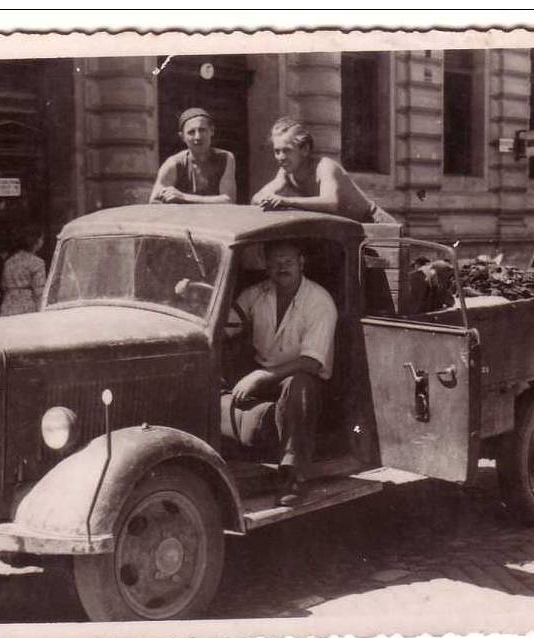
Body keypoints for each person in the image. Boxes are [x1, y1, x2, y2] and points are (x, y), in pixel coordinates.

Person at [221, 240, 338, 507]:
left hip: (307, 382)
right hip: (263, 375)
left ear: (301, 263)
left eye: (288, 261)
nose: (281, 267)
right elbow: (227, 326)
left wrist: (262, 376)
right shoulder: (256, 294)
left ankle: (293, 474)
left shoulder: (319, 301)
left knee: (300, 385)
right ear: (266, 265)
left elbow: (312, 362)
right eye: (274, 262)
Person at [252, 116, 398, 224]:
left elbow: (331, 203)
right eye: (277, 151)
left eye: (287, 151)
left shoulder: (325, 167)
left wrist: (285, 201)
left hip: (374, 222)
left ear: (305, 149)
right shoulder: (285, 173)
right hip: (349, 228)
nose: (281, 157)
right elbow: (257, 198)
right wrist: (268, 199)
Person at [149, 107, 237, 204]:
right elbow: (154, 201)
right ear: (182, 137)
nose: (197, 137)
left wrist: (183, 197)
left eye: (202, 130)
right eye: (191, 132)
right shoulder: (174, 163)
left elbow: (228, 200)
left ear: (212, 131)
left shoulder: (225, 158)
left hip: (215, 217)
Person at [0, 227, 46, 316]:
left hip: (8, 305)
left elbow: (3, 285)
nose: (42, 241)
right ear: (36, 241)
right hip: (26, 306)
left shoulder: (9, 261)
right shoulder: (37, 262)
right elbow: (39, 291)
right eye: (42, 238)